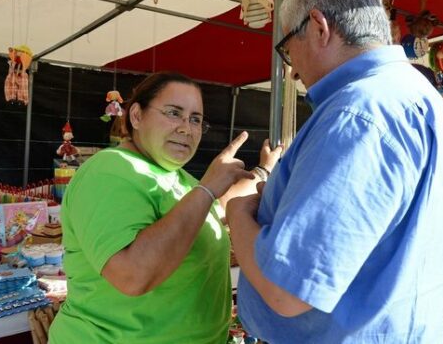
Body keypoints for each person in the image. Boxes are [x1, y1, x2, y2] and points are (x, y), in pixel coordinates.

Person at [225, 0, 443, 342]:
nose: (291, 69)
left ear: (319, 28)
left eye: (287, 48)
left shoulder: (357, 113)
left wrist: (238, 211)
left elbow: (287, 289)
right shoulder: (419, 96)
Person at [48, 72, 281, 344]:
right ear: (136, 116)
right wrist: (206, 189)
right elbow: (132, 275)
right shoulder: (110, 171)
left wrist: (264, 170)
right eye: (174, 113)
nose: (186, 128)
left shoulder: (177, 178)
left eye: (195, 119)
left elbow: (215, 209)